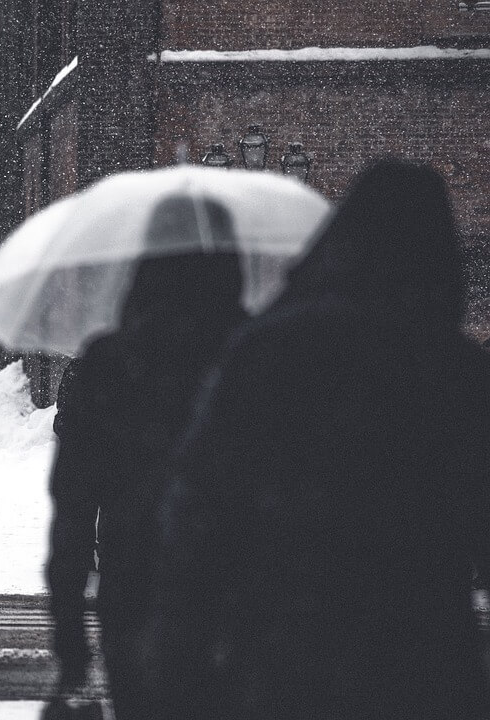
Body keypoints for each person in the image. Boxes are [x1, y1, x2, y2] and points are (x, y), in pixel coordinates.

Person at [152, 160, 490, 720]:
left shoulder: (268, 352)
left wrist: (179, 658)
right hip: (422, 660)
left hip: (286, 654)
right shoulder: (458, 371)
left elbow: (203, 512)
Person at [43, 195, 248, 720]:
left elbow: (73, 503)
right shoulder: (253, 356)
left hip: (134, 580)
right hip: (231, 588)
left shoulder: (111, 363)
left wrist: (69, 636)